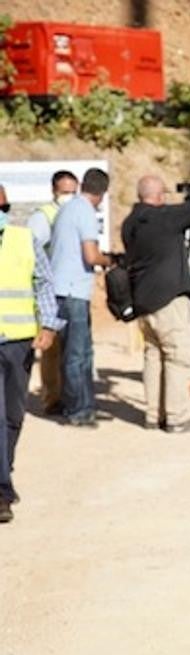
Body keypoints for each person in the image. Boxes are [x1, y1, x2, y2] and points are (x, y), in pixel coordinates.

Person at [122, 176, 190, 433]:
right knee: (179, 357)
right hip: (169, 300)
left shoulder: (130, 222)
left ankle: (153, 415)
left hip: (143, 300)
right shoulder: (165, 218)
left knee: (153, 357)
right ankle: (176, 418)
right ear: (160, 195)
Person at [0, 184, 65, 524]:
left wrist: (49, 324)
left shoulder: (24, 240)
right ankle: (1, 491)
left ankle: (4, 469)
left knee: (12, 415)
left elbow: (43, 282)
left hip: (17, 342)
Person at [48, 167, 112, 428]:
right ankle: (81, 411)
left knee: (68, 353)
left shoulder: (67, 207)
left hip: (59, 288)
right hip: (75, 289)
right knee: (79, 354)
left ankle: (69, 402)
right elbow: (91, 255)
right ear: (102, 194)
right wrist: (110, 260)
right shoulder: (86, 212)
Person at [26, 170, 78, 415]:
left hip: (72, 287)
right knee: (52, 349)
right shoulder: (43, 216)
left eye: (72, 192)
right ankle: (51, 398)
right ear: (54, 191)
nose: (69, 196)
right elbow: (32, 253)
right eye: (64, 192)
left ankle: (70, 395)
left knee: (73, 348)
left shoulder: (78, 213)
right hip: (50, 289)